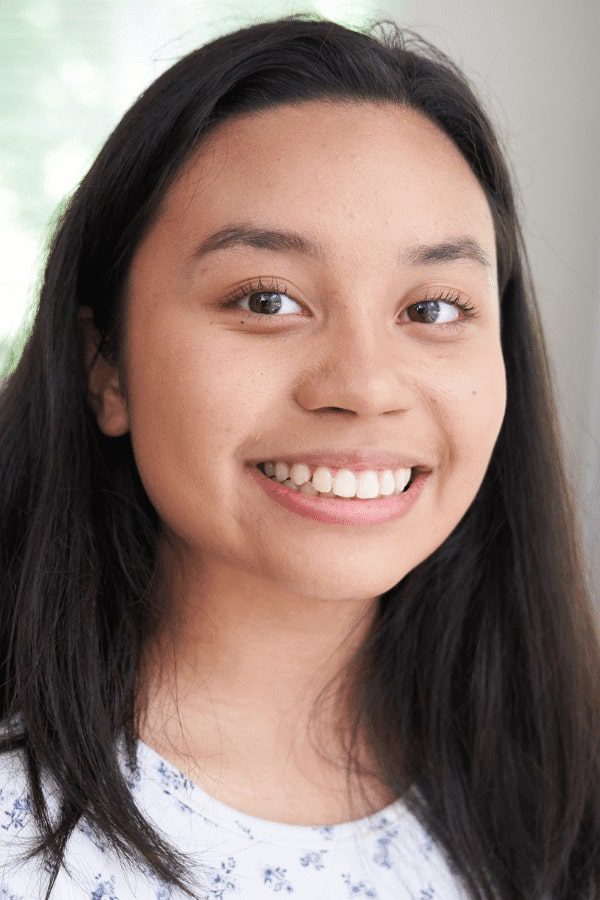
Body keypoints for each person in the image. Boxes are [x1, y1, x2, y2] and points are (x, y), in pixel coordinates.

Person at [0, 12, 598, 900]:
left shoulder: (559, 794)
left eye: (433, 308)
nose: (362, 384)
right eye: (267, 299)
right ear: (105, 365)